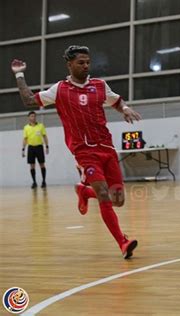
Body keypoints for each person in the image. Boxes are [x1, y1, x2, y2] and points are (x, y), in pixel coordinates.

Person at [11, 45, 141, 259]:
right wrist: (19, 75)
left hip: (106, 148)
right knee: (103, 194)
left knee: (117, 199)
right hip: (84, 152)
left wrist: (125, 108)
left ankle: (83, 192)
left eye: (88, 62)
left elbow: (116, 101)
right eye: (80, 62)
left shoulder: (99, 85)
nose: (85, 66)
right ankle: (123, 242)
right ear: (69, 64)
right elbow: (28, 101)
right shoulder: (60, 89)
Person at [22, 111, 49, 189]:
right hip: (31, 148)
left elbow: (44, 136)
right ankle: (34, 182)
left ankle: (44, 181)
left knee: (42, 164)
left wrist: (47, 146)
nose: (33, 118)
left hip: (39, 147)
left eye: (34, 116)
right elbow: (25, 139)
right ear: (29, 118)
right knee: (32, 165)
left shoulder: (41, 126)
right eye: (31, 116)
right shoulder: (26, 127)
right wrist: (23, 149)